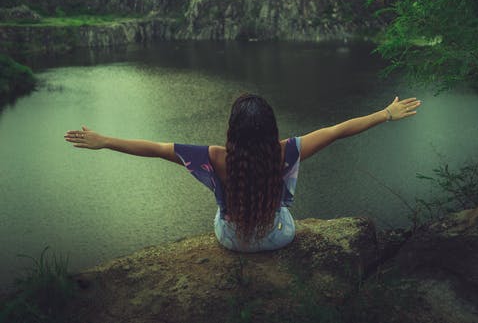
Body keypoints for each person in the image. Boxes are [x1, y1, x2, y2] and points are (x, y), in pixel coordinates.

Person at [64, 93, 421, 252]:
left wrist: (105, 140)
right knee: (282, 214)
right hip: (278, 238)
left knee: (222, 213)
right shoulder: (288, 151)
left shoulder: (214, 158)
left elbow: (156, 149)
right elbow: (340, 129)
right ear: (270, 128)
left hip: (230, 240)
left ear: (233, 129)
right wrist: (385, 114)